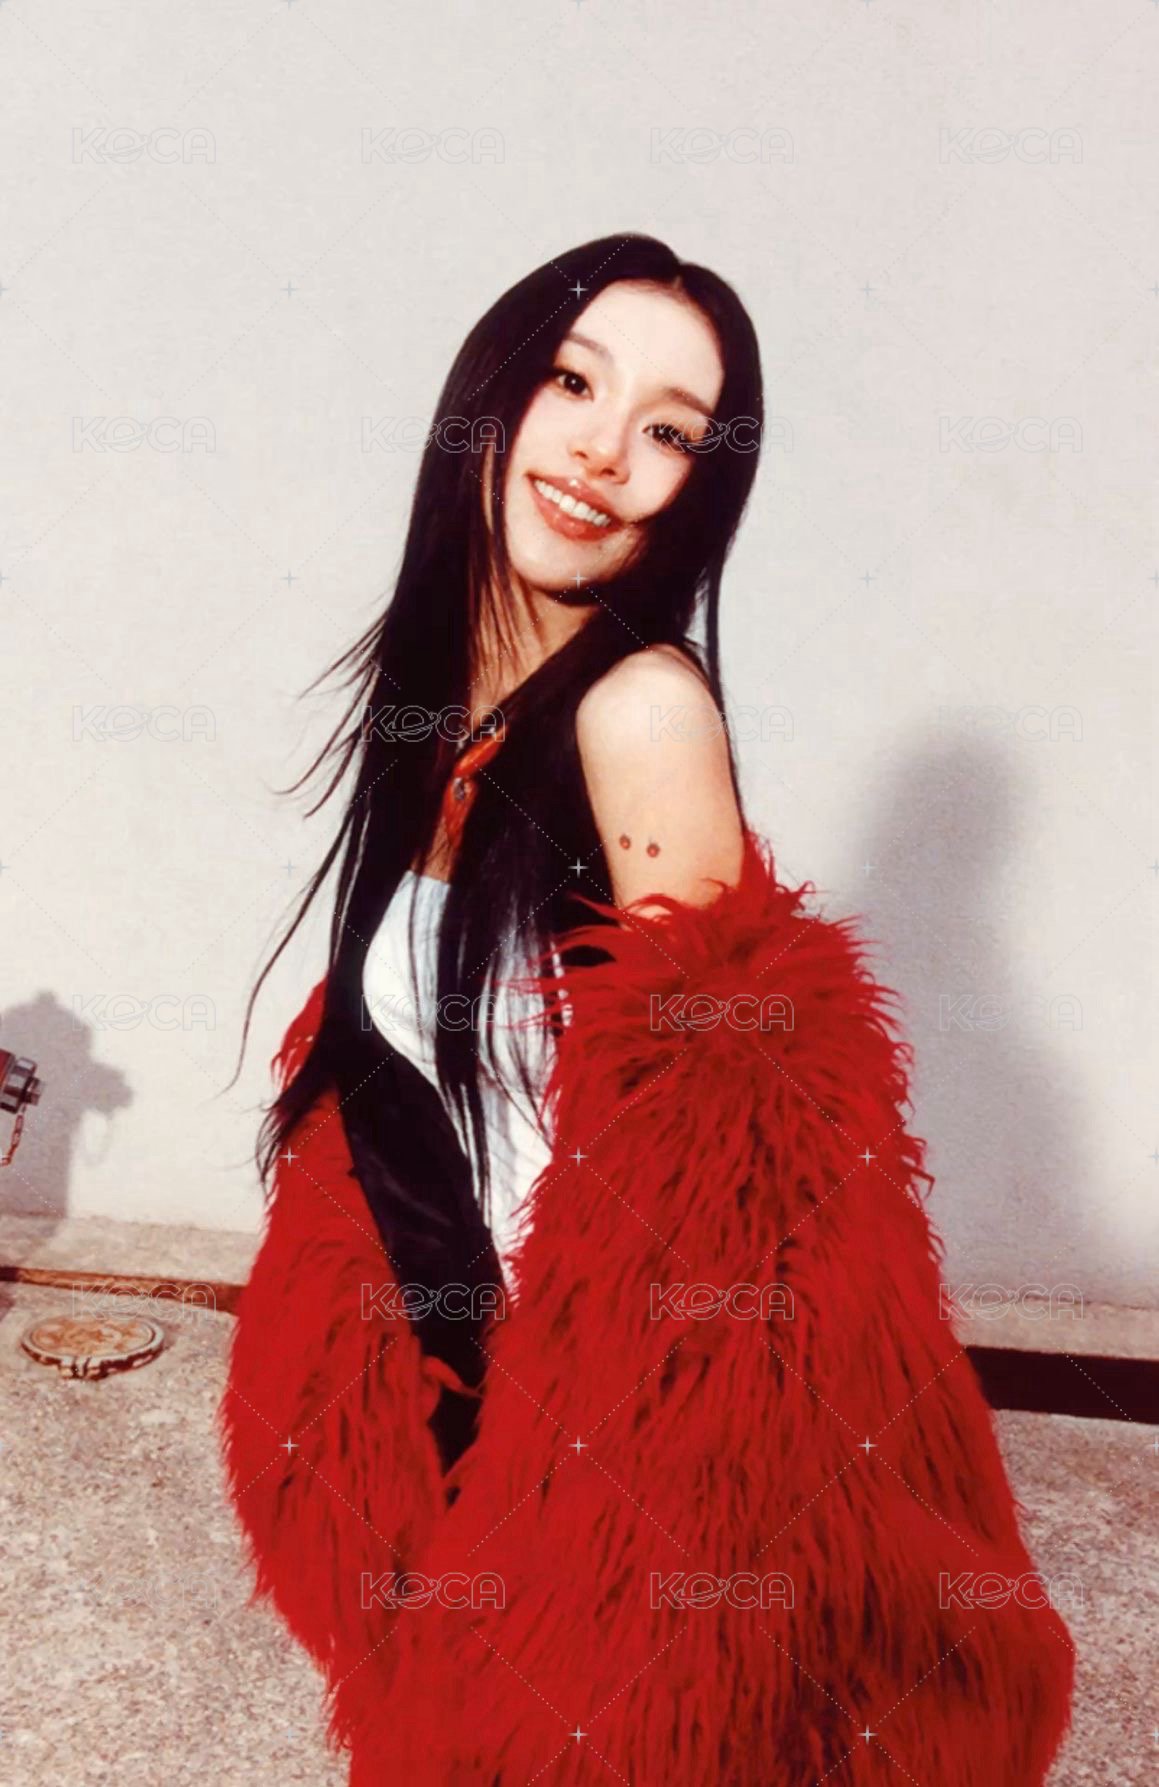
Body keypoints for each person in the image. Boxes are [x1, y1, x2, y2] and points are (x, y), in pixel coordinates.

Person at [220, 233, 1075, 1784]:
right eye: (574, 383)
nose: (605, 452)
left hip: (608, 1431)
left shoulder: (643, 711)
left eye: (670, 429)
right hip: (469, 1372)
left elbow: (721, 1199)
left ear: (700, 485)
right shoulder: (449, 696)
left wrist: (602, 1520)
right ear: (493, 396)